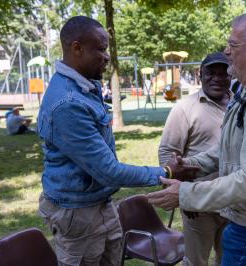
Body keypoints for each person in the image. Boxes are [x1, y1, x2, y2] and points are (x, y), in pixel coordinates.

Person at [37, 16, 197, 266]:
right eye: (100, 49)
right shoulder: (67, 103)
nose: (107, 56)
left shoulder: (86, 86)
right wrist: (166, 171)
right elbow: (109, 171)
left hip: (100, 202)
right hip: (77, 213)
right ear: (76, 48)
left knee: (114, 258)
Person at [148, 12, 246, 266]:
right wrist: (192, 165)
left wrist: (186, 194)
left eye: (233, 45)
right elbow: (228, 149)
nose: (226, 51)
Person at [158, 52, 231, 266]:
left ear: (231, 76)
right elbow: (168, 153)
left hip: (233, 197)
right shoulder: (185, 108)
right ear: (200, 75)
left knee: (229, 259)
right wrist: (183, 193)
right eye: (211, 72)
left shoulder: (240, 105)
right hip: (198, 204)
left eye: (223, 73)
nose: (217, 78)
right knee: (196, 261)